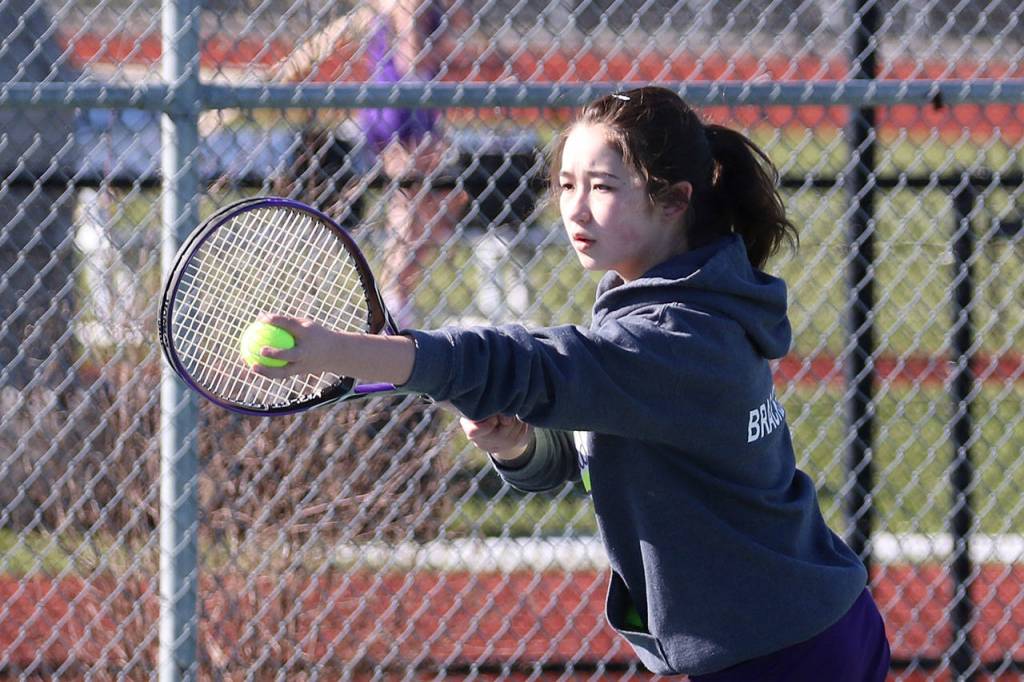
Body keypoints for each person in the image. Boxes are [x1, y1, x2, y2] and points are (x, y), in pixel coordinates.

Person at [248, 86, 892, 680]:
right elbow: (589, 455)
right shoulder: (660, 306)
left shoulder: (674, 337)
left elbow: (515, 362)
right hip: (797, 629)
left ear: (673, 200)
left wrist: (341, 350)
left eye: (604, 186)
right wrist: (520, 449)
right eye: (565, 184)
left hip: (781, 649)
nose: (575, 208)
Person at [279, 0, 469, 327]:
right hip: (398, 107)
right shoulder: (409, 6)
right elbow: (414, 57)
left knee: (434, 199)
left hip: (414, 105)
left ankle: (396, 295)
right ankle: (394, 297)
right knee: (412, 195)